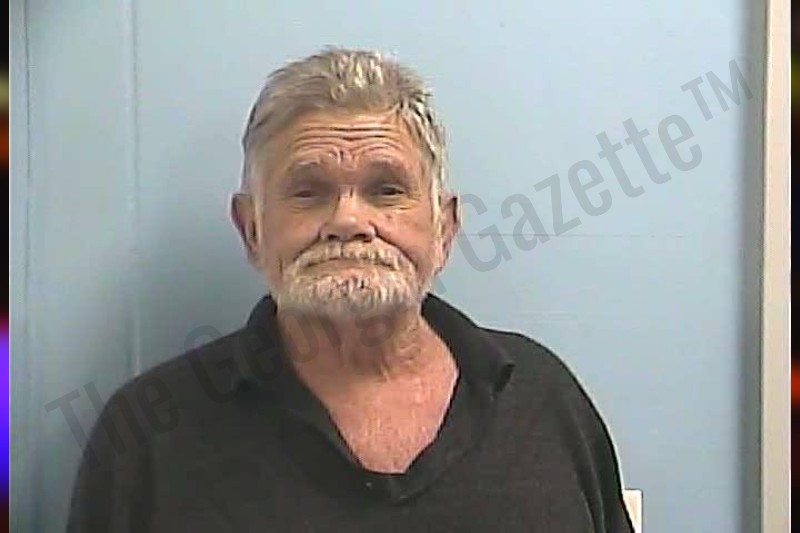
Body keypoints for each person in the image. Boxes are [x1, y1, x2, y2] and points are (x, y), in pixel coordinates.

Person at [67, 47, 635, 532]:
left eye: (386, 190)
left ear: (444, 229)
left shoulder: (542, 397)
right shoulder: (148, 434)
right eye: (308, 192)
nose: (348, 220)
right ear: (252, 230)